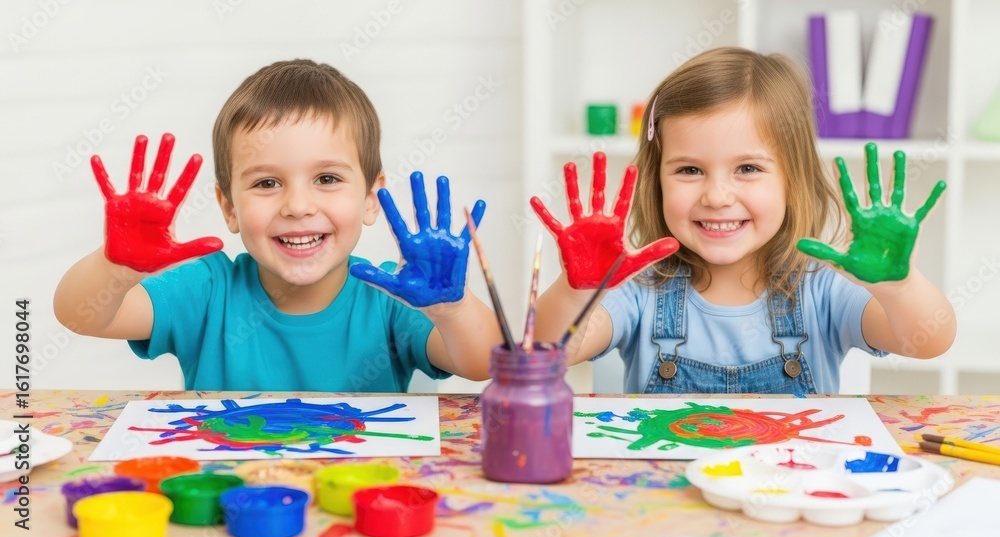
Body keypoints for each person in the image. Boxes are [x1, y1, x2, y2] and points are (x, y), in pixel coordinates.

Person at [53, 59, 499, 391]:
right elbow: (80, 316)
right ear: (228, 207)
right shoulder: (208, 290)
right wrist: (117, 266)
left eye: (326, 178)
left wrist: (452, 310)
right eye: (267, 182)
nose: (298, 205)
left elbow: (483, 364)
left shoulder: (390, 297)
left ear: (370, 197)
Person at [531, 47, 955, 394]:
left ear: (794, 179)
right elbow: (548, 351)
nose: (716, 196)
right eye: (689, 170)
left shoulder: (824, 290)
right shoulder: (638, 293)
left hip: (789, 488)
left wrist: (899, 288)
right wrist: (574, 291)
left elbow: (928, 341)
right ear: (656, 183)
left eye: (748, 169)